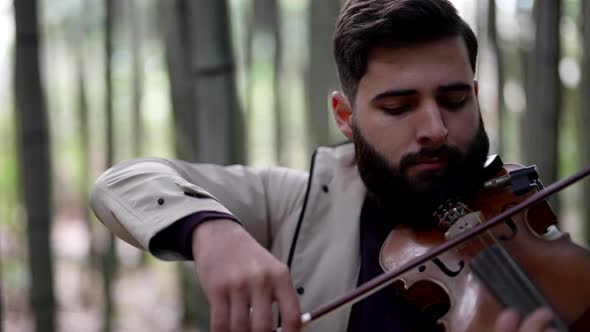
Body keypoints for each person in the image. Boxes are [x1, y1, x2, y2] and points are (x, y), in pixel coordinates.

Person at [90, 0, 562, 331]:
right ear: (345, 117)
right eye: (398, 107)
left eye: (455, 99)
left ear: (475, 96)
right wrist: (212, 231)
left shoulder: (522, 219)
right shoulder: (293, 202)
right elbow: (122, 182)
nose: (435, 128)